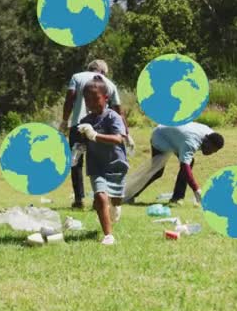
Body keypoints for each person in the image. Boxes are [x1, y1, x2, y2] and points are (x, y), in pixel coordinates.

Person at [60, 59, 132, 209]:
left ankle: (79, 199)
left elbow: (70, 99)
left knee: (76, 161)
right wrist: (127, 132)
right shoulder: (109, 84)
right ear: (103, 72)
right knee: (100, 161)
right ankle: (98, 200)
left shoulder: (77, 77)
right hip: (103, 126)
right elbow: (118, 110)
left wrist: (64, 120)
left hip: (78, 125)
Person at [77, 76, 129, 245]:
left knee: (116, 199)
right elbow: (82, 142)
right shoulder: (85, 122)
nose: (91, 103)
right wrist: (79, 148)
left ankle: (115, 205)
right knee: (100, 197)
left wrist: (95, 135)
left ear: (106, 98)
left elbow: (118, 139)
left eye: (95, 98)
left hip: (116, 165)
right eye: (87, 100)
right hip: (96, 166)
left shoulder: (113, 117)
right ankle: (108, 235)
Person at [126, 123, 225, 205]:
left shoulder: (211, 134)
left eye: (214, 152)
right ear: (206, 141)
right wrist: (196, 190)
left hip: (175, 135)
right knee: (157, 171)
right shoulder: (191, 142)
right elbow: (184, 166)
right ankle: (130, 194)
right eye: (210, 149)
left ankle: (177, 198)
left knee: (189, 163)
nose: (210, 153)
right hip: (161, 136)